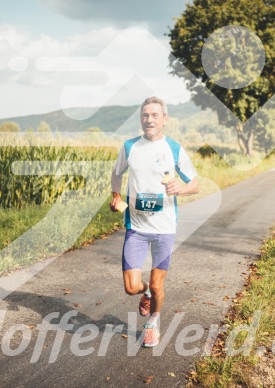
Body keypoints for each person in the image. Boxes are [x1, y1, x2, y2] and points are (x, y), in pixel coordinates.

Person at [110, 96, 200, 348]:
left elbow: (195, 184)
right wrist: (116, 195)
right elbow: (116, 173)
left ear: (165, 119)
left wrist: (180, 189)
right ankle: (145, 291)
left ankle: (152, 323)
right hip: (136, 228)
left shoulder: (174, 149)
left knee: (160, 286)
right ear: (141, 118)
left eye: (154, 115)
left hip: (164, 229)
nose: (149, 119)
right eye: (145, 115)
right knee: (131, 287)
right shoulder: (129, 147)